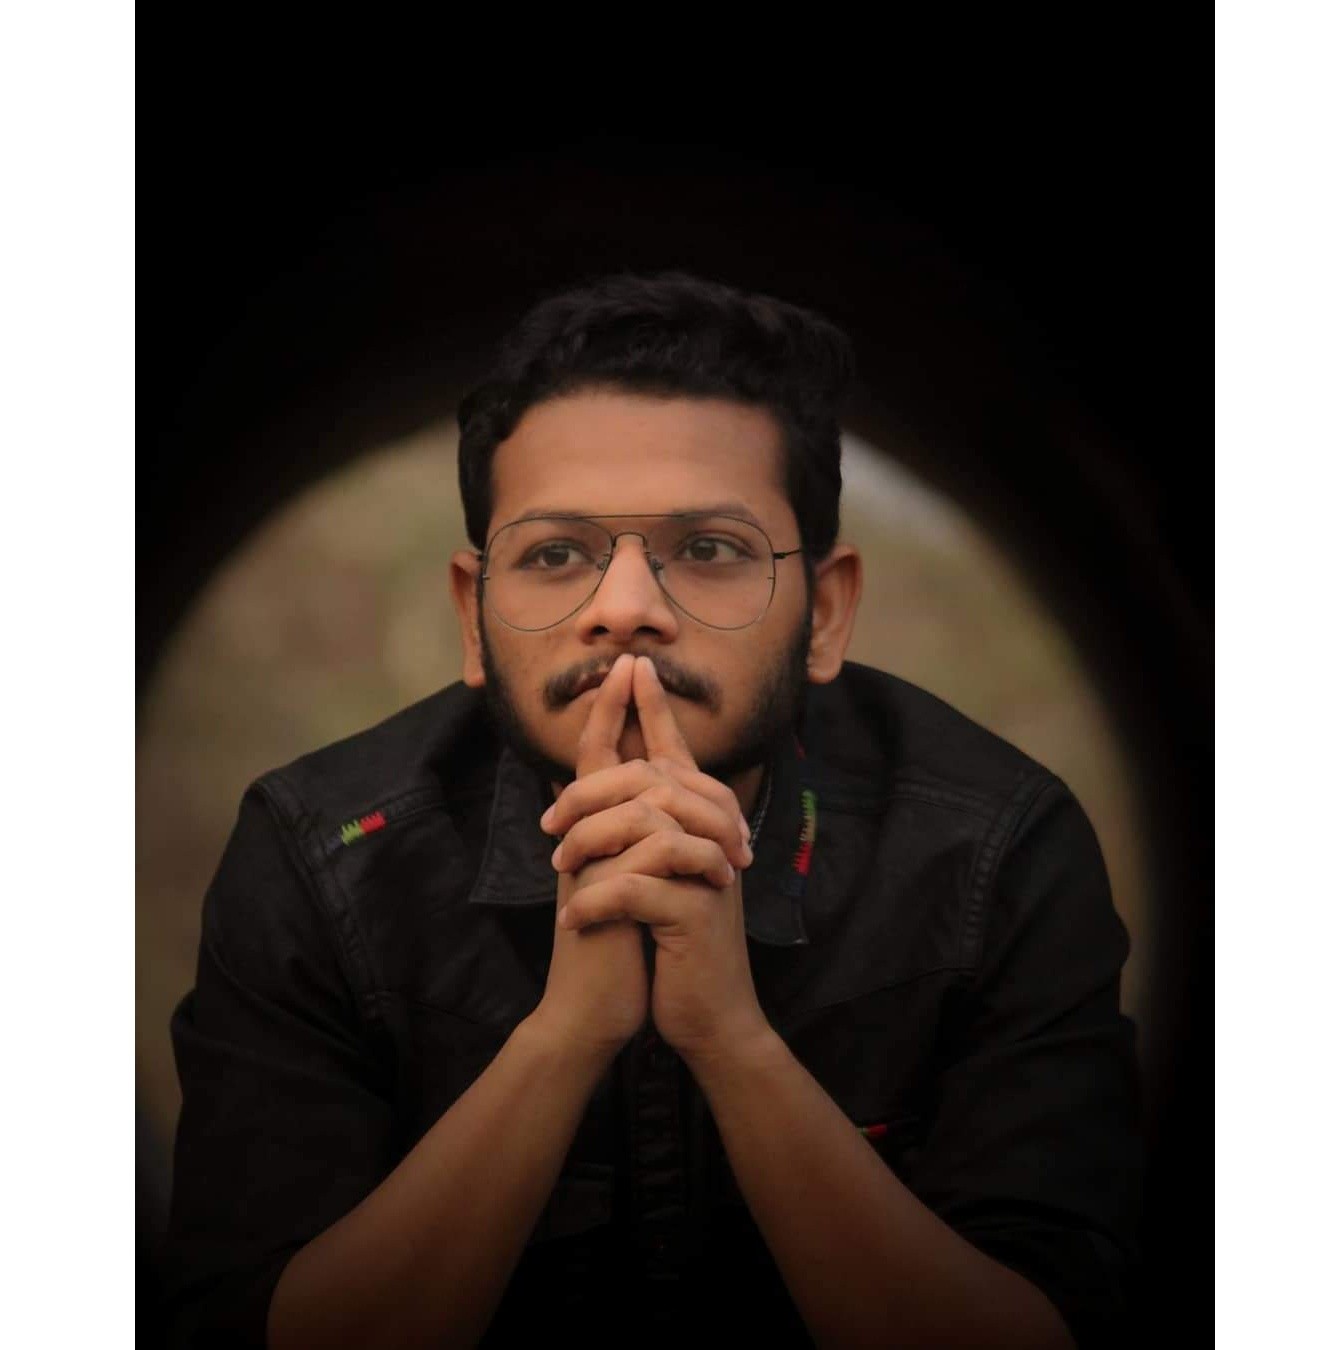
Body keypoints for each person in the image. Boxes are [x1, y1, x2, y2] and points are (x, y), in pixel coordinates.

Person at [162, 272, 1143, 1349]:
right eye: (555, 555)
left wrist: (730, 1038)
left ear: (824, 613)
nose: (626, 609)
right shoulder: (319, 854)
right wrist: (565, 1036)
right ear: (474, 617)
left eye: (709, 550)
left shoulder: (996, 848)